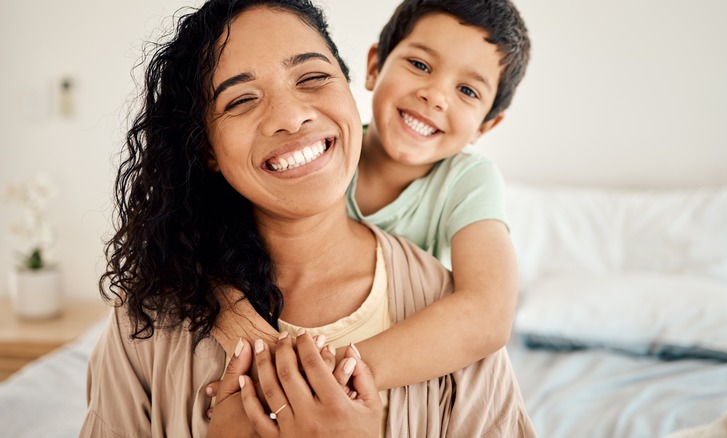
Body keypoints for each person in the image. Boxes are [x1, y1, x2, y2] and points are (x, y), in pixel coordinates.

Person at [81, 0, 535, 436]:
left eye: (313, 77)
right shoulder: (147, 317)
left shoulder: (451, 307)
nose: (293, 118)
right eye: (240, 100)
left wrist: (330, 377)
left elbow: (488, 313)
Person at [216, 0, 532, 393]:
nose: (435, 96)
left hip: (393, 361)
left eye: (467, 90)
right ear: (374, 67)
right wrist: (265, 360)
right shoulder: (320, 153)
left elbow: (488, 312)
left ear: (486, 125)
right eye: (420, 65)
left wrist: (337, 375)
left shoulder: (469, 180)